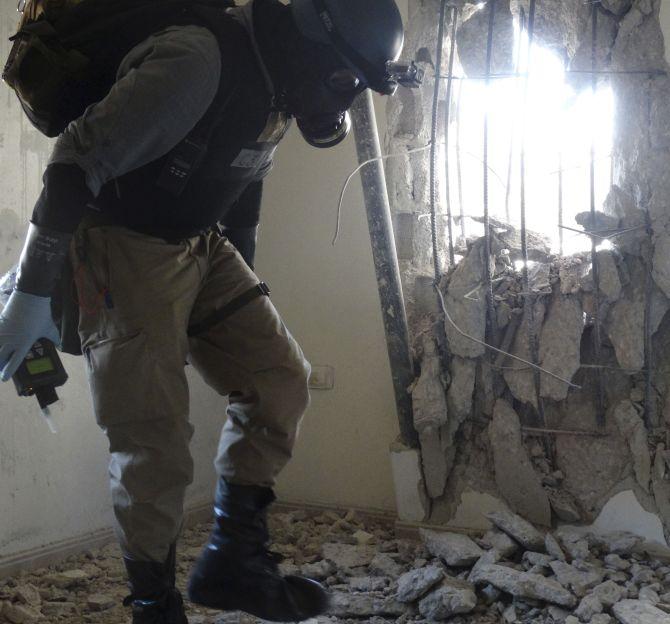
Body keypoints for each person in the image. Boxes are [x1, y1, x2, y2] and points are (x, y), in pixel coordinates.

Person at [0, 0, 406, 621]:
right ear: (310, 42)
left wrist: (237, 291)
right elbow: (73, 165)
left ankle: (234, 563)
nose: (343, 100)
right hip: (121, 243)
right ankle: (153, 605)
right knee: (153, 443)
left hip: (200, 240)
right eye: (344, 80)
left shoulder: (277, 80)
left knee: (277, 380)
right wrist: (31, 293)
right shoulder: (198, 60)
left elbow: (246, 174)